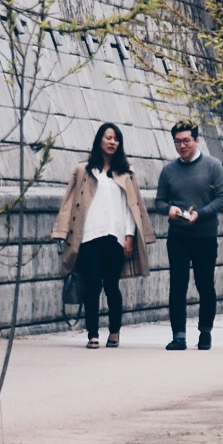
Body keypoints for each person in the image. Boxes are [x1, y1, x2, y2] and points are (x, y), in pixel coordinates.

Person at [54, 122, 155, 348]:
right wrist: (61, 231)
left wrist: (129, 236)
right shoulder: (84, 170)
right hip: (89, 235)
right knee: (92, 284)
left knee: (111, 285)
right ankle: (92, 334)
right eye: (108, 137)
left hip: (115, 236)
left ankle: (115, 331)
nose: (112, 142)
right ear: (99, 140)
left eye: (116, 139)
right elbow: (69, 202)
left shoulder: (127, 173)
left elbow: (132, 207)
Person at [155, 121, 223, 350]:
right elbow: (159, 201)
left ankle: (205, 331)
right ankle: (179, 335)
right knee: (177, 284)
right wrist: (170, 209)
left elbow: (222, 199)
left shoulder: (213, 166)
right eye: (177, 141)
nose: (182, 145)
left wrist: (200, 214)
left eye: (186, 140)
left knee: (205, 284)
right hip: (178, 236)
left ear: (197, 140)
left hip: (205, 235)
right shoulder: (169, 171)